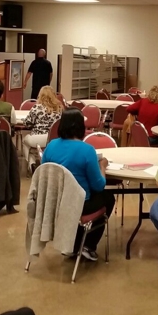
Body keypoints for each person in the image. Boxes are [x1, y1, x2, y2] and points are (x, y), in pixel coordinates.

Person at [41, 107, 115, 261]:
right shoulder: (87, 150)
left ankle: (72, 244)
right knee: (108, 197)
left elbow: (44, 175)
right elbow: (98, 185)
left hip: (54, 202)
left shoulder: (51, 146)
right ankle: (88, 245)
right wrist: (102, 166)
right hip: (78, 204)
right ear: (81, 127)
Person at [23, 86, 62, 170]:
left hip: (37, 138)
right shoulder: (59, 108)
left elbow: (27, 123)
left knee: (25, 141)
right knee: (35, 146)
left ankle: (31, 164)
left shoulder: (37, 108)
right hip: (53, 139)